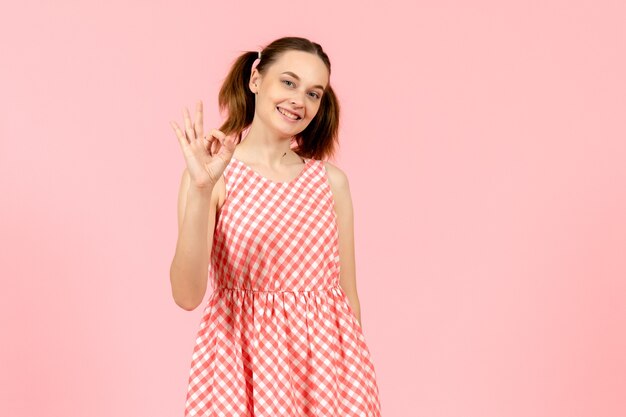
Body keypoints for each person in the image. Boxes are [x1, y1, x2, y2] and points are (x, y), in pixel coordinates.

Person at [169, 36, 382, 417]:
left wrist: (357, 387)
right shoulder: (213, 175)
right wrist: (201, 190)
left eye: (314, 93)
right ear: (255, 79)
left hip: (325, 376)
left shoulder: (331, 182)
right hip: (241, 367)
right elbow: (187, 296)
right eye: (288, 82)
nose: (300, 100)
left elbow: (348, 298)